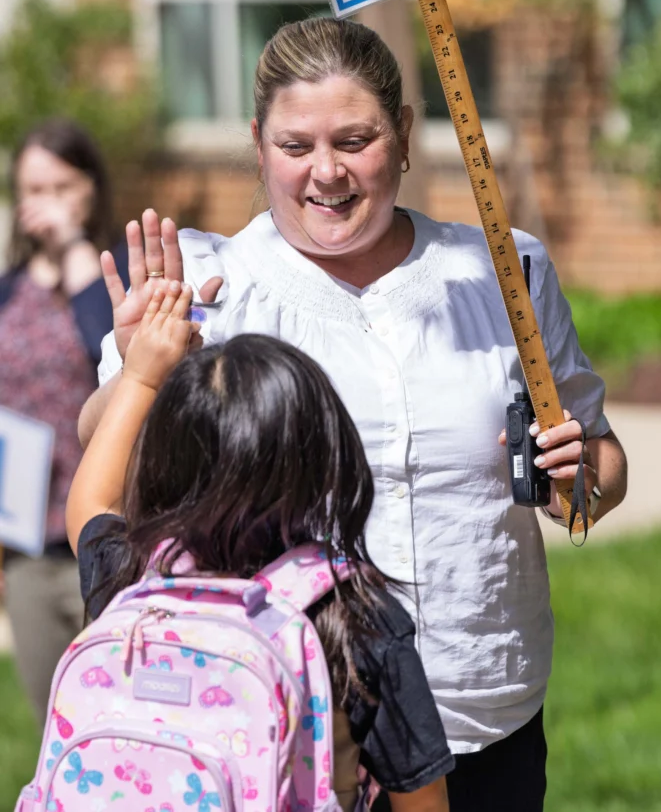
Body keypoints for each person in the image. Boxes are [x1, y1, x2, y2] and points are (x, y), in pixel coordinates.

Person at [80, 17, 628, 812]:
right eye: (295, 145)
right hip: (293, 735)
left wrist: (578, 482)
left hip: (486, 714)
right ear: (257, 143)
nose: (326, 171)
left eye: (355, 139)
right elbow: (105, 478)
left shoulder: (506, 272)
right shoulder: (208, 284)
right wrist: (139, 370)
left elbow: (599, 473)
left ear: (404, 135)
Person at [67, 279, 453, 812]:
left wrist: (140, 373)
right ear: (323, 460)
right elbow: (423, 801)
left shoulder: (135, 576)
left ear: (162, 458)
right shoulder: (353, 615)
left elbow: (92, 502)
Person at [0, 118, 128, 724]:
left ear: (92, 188)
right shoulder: (9, 291)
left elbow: (105, 348)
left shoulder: (116, 274)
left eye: (60, 187)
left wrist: (77, 245)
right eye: (33, 190)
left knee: (116, 720)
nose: (43, 204)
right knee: (55, 727)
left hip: (111, 536)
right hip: (27, 543)